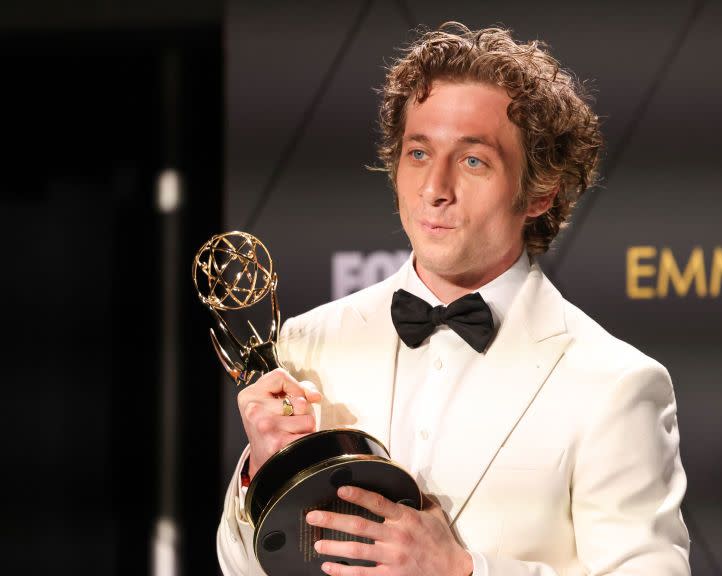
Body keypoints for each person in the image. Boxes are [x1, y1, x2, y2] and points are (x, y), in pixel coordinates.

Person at [217, 22, 691, 576]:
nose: (434, 188)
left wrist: (465, 571)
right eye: (418, 153)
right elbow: (241, 566)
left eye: (473, 161)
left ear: (540, 192)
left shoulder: (615, 384)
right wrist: (261, 469)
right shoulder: (308, 344)